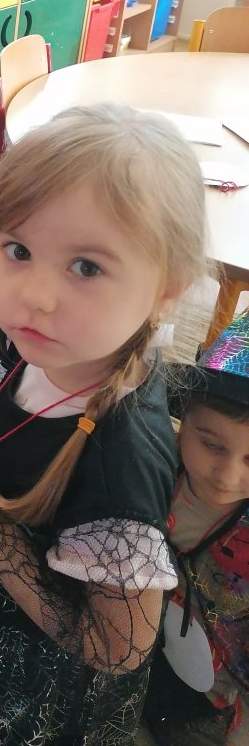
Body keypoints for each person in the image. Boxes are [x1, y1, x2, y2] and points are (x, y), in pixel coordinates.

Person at [0, 102, 209, 744]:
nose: (34, 296)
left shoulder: (121, 469)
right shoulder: (72, 343)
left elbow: (118, 648)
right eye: (18, 249)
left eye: (86, 267)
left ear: (168, 287)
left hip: (20, 676)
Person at [143, 311, 249, 746]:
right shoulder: (151, 469)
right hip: (141, 650)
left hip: (216, 704)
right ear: (183, 419)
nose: (227, 476)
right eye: (211, 444)